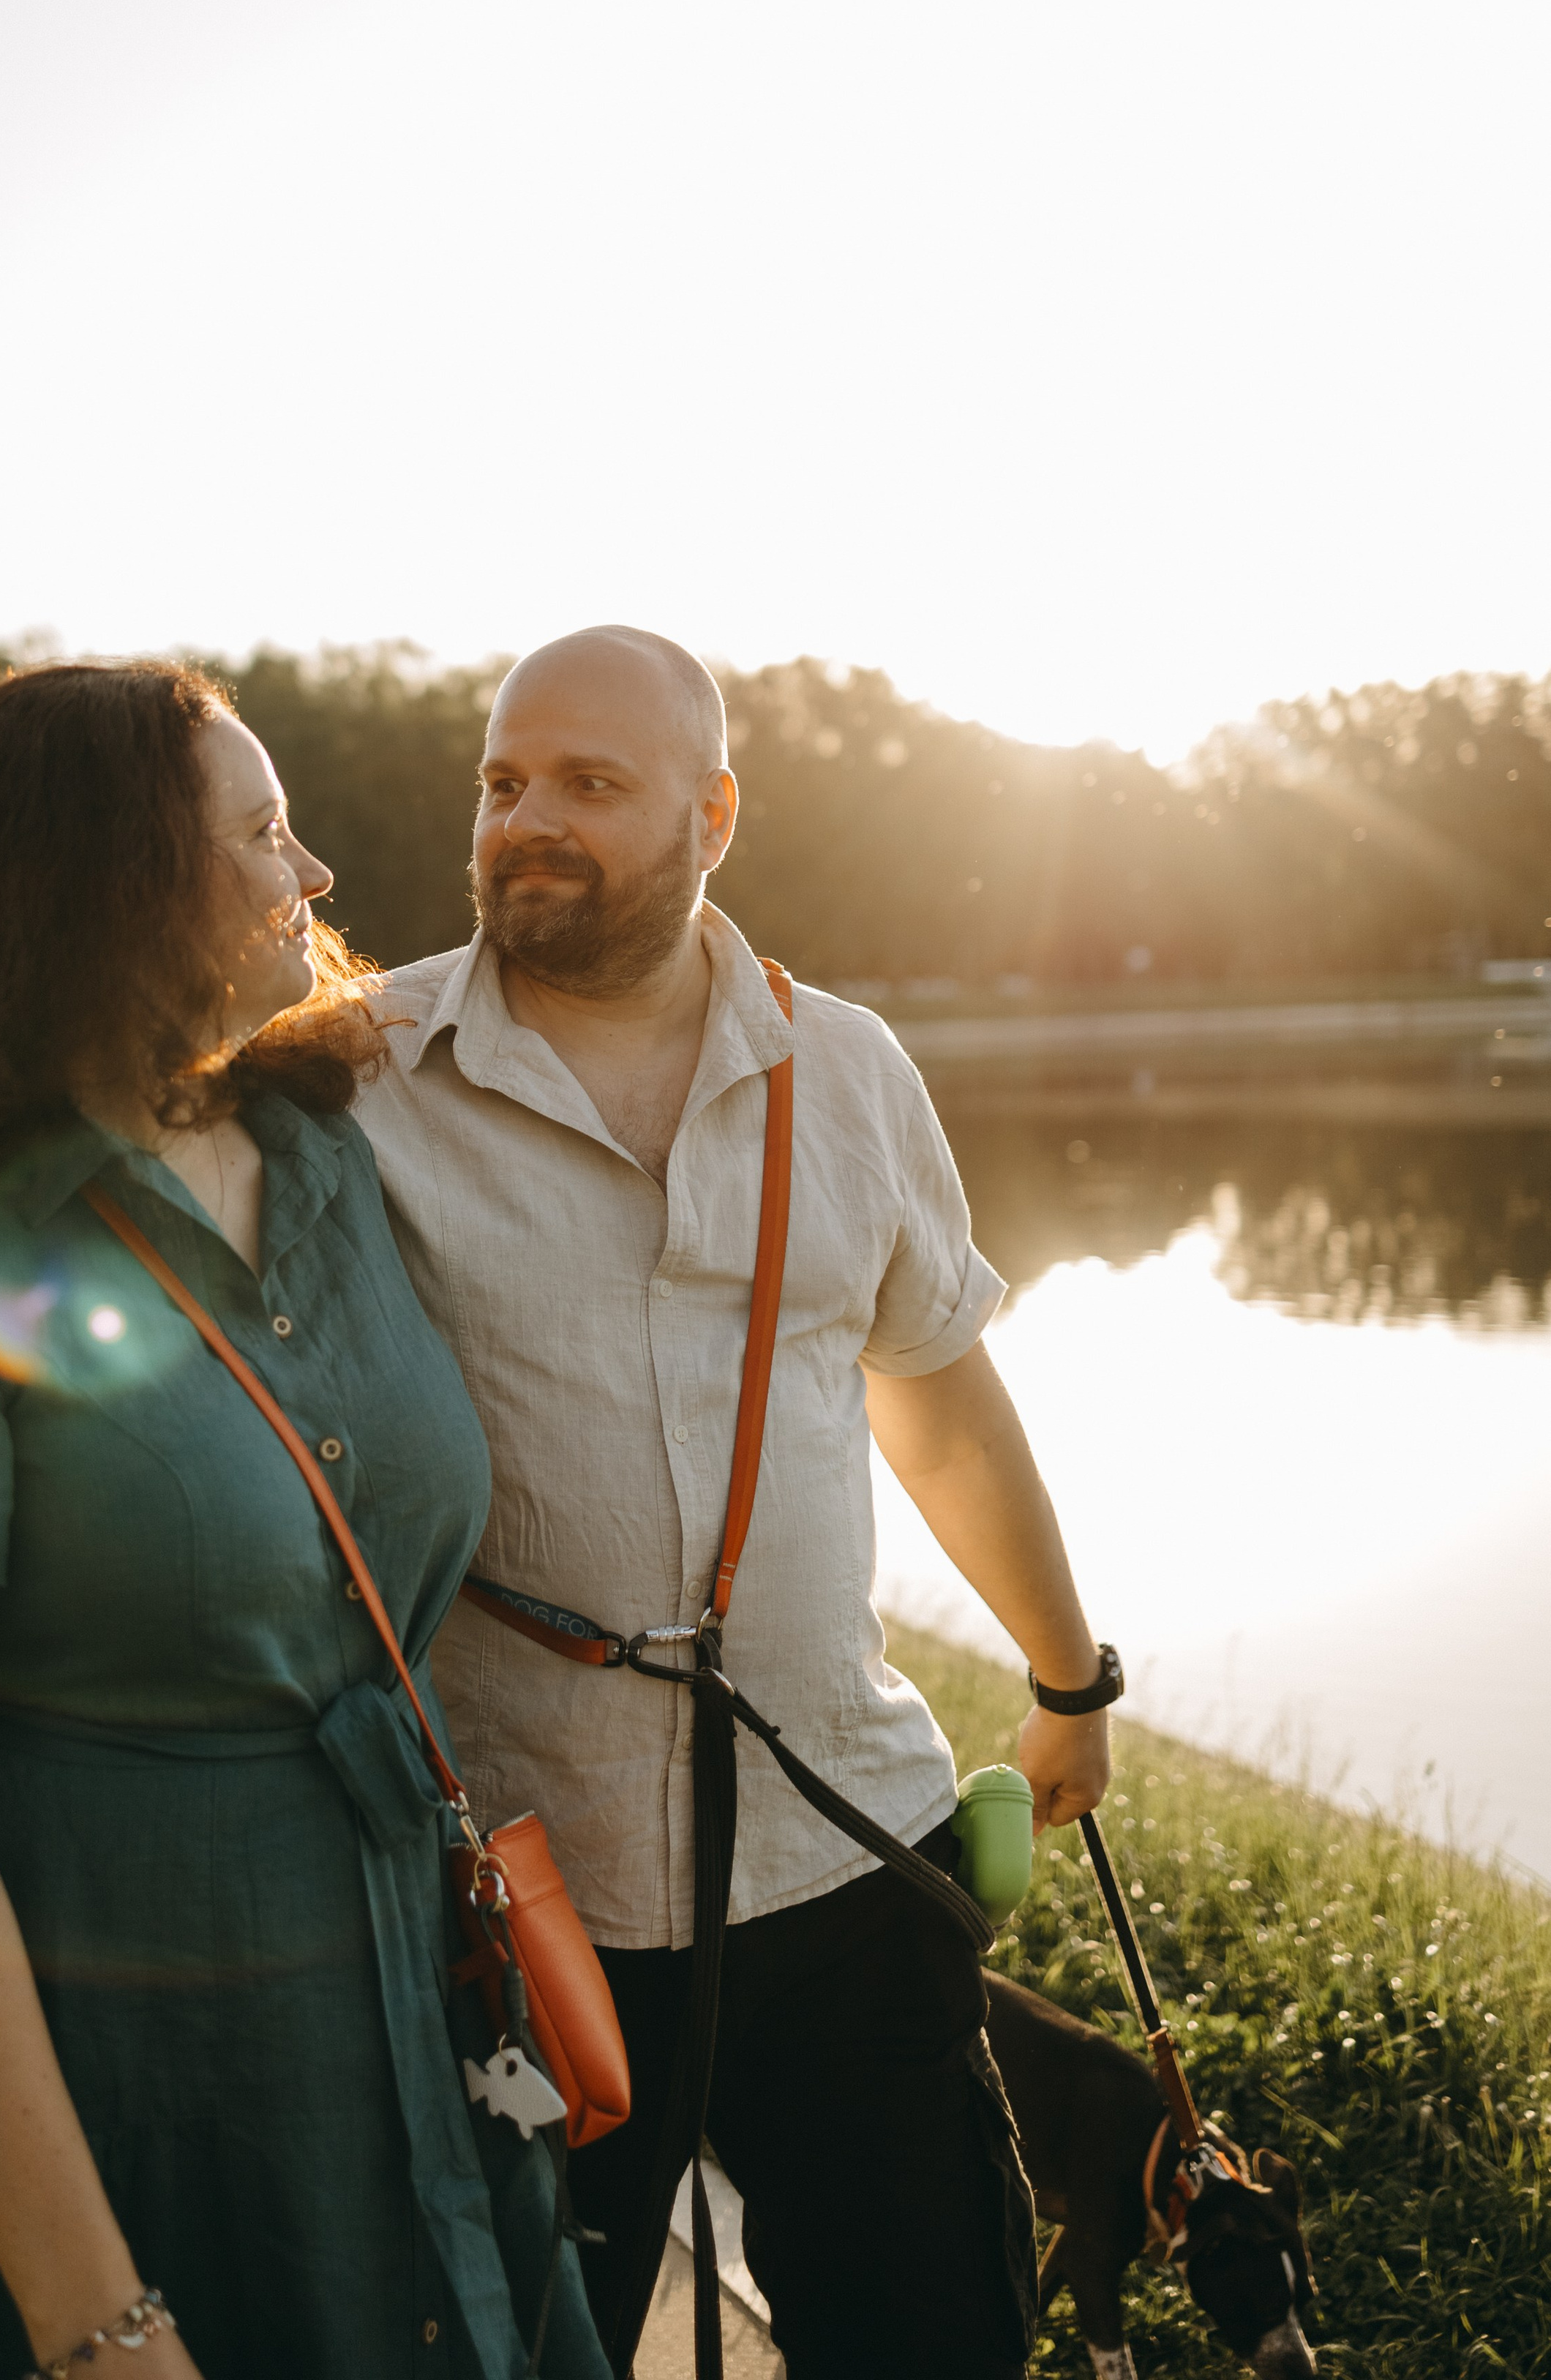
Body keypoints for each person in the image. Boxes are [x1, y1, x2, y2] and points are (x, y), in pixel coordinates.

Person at [0, 660, 609, 2380]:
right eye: (265, 832)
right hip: (115, 2104)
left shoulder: (323, 1154)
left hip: (403, 2040)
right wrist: (94, 2323)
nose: (316, 872)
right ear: (106, 886)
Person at [357, 626, 1119, 2379]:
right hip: (525, 1898)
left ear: (711, 814)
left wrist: (1065, 1676)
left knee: (929, 2333)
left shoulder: (843, 1068)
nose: (524, 819)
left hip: (843, 1851)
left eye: (588, 785)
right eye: (501, 781)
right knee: (512, 2354)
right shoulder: (357, 1078)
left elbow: (932, 1390)